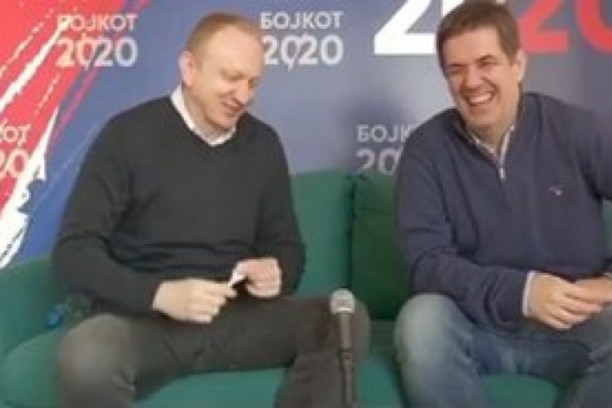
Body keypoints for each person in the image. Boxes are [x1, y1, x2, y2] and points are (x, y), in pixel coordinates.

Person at [52, 12, 369, 408]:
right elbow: (74, 253)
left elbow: (287, 249)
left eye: (253, 82)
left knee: (343, 320)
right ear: (189, 68)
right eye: (231, 78)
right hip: (146, 323)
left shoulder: (262, 144)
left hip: (237, 318)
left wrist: (276, 273)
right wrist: (160, 295)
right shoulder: (126, 135)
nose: (243, 96)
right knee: (88, 355)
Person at [394, 2, 612, 407]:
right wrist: (524, 292)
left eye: (486, 63)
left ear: (518, 65)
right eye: (456, 70)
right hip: (475, 324)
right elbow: (425, 263)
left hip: (575, 323)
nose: (471, 82)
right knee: (421, 322)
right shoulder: (426, 149)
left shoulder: (577, 129)